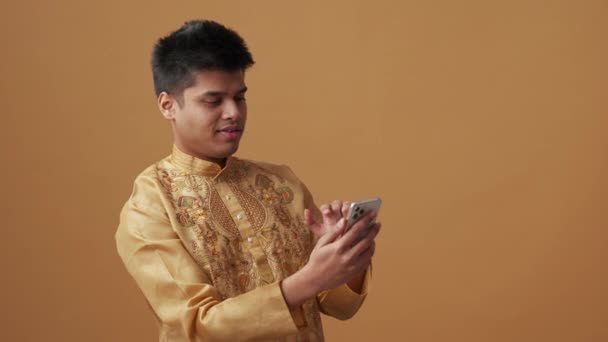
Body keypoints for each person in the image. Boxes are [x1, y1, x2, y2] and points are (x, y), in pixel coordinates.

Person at [115, 19, 381, 342]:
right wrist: (309, 279)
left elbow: (339, 306)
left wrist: (344, 257)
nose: (233, 113)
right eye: (214, 101)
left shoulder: (281, 184)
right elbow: (198, 325)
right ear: (168, 105)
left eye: (239, 98)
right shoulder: (150, 204)